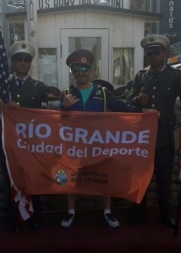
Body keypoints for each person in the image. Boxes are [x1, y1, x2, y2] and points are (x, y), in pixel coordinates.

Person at [59, 49, 159, 229]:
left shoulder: (103, 92)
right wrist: (63, 107)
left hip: (99, 144)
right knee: (72, 178)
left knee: (104, 176)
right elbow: (56, 121)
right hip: (75, 145)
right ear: (72, 72)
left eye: (84, 68)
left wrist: (143, 112)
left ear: (90, 70)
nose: (80, 73)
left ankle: (107, 212)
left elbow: (122, 107)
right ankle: (71, 212)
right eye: (76, 70)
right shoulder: (67, 92)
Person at [126, 34, 181, 228]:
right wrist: (138, 101)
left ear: (164, 53)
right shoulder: (141, 76)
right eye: (149, 53)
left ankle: (166, 214)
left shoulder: (177, 76)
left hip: (164, 135)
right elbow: (129, 100)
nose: (152, 56)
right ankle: (137, 214)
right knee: (140, 178)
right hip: (142, 137)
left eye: (156, 52)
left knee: (164, 179)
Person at [0, 40, 49, 231]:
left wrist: (21, 109)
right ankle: (11, 219)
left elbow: (43, 117)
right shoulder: (3, 83)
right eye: (18, 59)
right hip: (7, 144)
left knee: (33, 179)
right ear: (13, 62)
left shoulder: (39, 87)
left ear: (30, 63)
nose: (22, 63)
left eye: (26, 59)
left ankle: (35, 218)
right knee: (8, 180)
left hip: (30, 144)